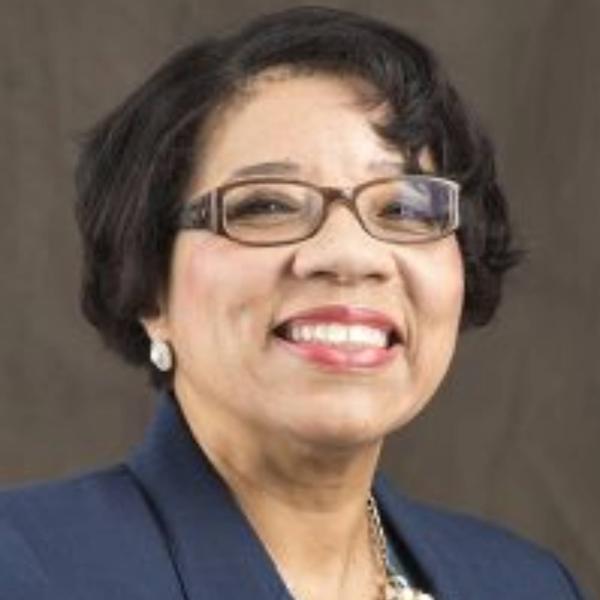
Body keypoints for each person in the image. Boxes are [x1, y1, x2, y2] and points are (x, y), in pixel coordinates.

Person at [0, 6, 586, 599]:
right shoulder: (24, 569)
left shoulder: (529, 586)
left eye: (403, 209)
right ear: (151, 285)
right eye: (267, 206)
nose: (350, 256)